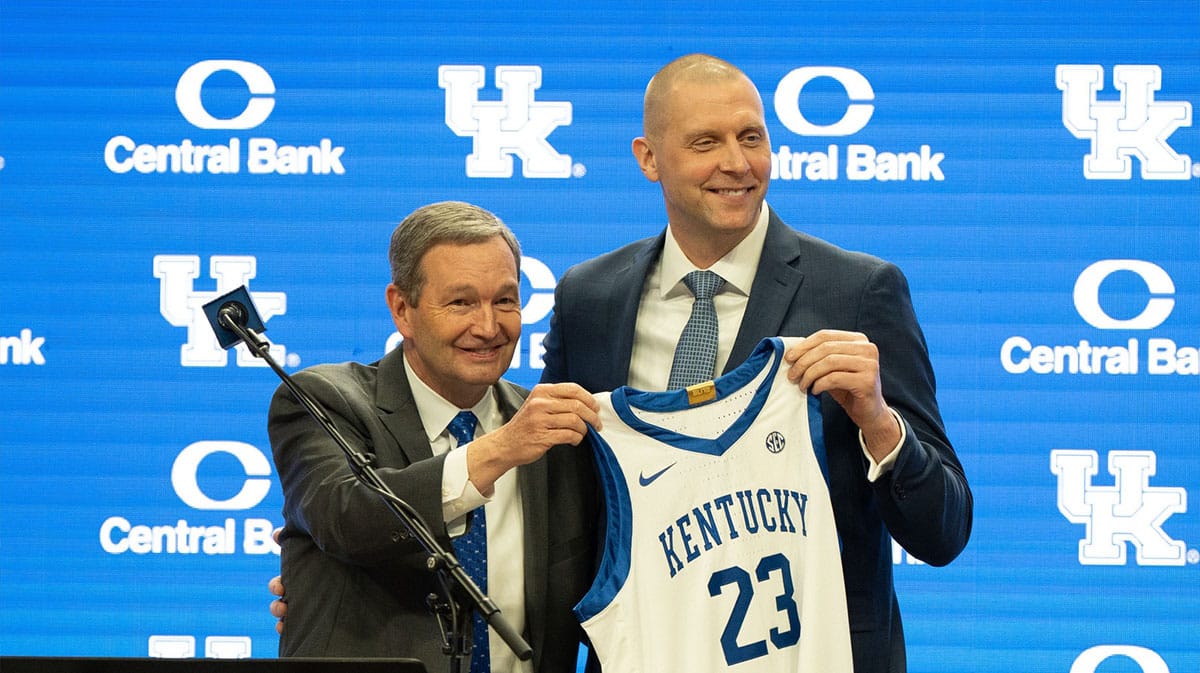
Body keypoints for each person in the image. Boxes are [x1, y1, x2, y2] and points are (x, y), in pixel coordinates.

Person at [539, 54, 973, 673]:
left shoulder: (858, 291)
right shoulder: (589, 297)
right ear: (648, 158)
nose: (737, 164)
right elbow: (564, 503)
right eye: (705, 143)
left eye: (752, 138)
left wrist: (879, 423)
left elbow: (945, 531)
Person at [268, 200, 600, 673]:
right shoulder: (322, 399)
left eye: (505, 300)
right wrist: (500, 449)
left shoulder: (557, 435)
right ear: (402, 309)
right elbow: (344, 517)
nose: (488, 327)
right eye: (461, 302)